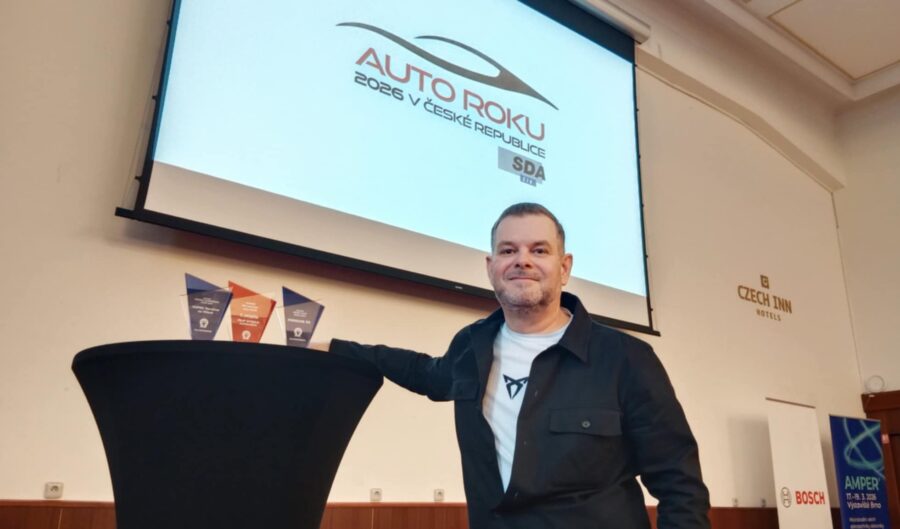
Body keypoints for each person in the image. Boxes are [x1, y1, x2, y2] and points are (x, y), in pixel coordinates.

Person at [329, 203, 710, 529]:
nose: (522, 260)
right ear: (491, 266)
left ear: (564, 267)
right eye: (508, 250)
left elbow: (678, 482)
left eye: (539, 250)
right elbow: (425, 373)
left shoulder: (626, 357)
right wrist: (331, 347)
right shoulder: (471, 345)